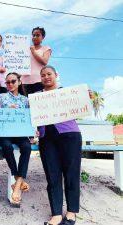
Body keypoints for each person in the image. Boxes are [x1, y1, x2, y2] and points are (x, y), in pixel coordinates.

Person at [38, 65, 83, 225]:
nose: (46, 77)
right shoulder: (36, 97)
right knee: (52, 175)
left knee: (71, 173)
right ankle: (56, 213)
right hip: (46, 138)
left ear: (56, 75)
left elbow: (81, 107)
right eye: (43, 75)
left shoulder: (67, 94)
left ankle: (71, 213)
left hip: (70, 135)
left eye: (49, 74)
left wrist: (87, 97)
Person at [0, 72, 31, 205]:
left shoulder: (25, 100)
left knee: (27, 147)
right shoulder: (1, 96)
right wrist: (6, 110)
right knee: (7, 146)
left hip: (19, 131)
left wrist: (32, 134)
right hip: (4, 131)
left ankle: (16, 185)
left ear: (19, 82)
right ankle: (18, 179)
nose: (10, 84)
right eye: (8, 82)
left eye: (13, 81)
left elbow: (28, 118)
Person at [21, 27, 52, 95]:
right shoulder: (25, 50)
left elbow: (44, 61)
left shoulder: (46, 48)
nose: (35, 37)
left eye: (38, 35)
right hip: (24, 82)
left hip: (39, 81)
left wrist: (33, 51)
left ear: (43, 37)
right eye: (33, 35)